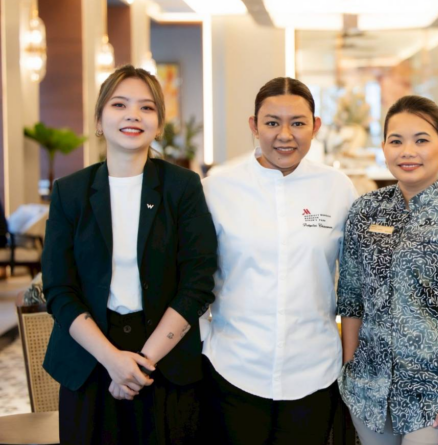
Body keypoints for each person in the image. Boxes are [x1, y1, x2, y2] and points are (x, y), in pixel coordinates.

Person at [42, 64, 218, 444]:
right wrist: (112, 359)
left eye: (146, 107)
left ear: (159, 123)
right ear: (99, 120)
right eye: (119, 104)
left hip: (165, 359)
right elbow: (58, 289)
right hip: (89, 359)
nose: (133, 115)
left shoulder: (182, 187)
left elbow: (198, 282)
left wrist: (142, 363)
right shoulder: (70, 192)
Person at [201, 77, 358, 444]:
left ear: (315, 127)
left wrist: (350, 360)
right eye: (272, 122)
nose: (284, 135)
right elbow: (194, 276)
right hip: (233, 367)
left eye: (298, 123)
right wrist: (204, 340)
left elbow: (353, 282)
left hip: (314, 371)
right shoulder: (217, 188)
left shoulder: (337, 188)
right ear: (254, 126)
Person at [338, 95, 438, 445]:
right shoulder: (365, 211)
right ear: (383, 148)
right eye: (396, 141)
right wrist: (351, 368)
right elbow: (350, 297)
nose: (407, 151)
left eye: (421, 140)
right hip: (370, 393)